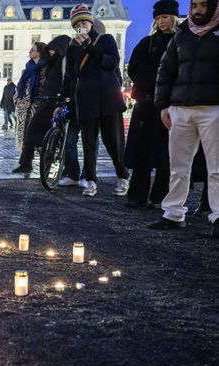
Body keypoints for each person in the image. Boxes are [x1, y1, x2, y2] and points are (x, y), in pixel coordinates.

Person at [149, 0, 219, 237]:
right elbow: (166, 70)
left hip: (213, 108)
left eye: (203, 5)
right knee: (178, 165)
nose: (198, 10)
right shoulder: (182, 33)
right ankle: (173, 213)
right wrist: (162, 105)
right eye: (195, 5)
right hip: (180, 107)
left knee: (216, 167)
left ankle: (218, 215)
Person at [59, 4, 129, 198]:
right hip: (86, 100)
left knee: (113, 142)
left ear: (90, 22)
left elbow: (111, 62)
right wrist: (64, 99)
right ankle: (90, 180)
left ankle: (122, 175)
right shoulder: (73, 47)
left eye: (84, 22)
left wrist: (89, 47)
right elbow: (71, 76)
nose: (82, 26)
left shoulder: (106, 39)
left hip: (108, 98)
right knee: (88, 144)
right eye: (77, 24)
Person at [124, 0, 179, 209]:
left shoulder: (179, 41)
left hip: (169, 104)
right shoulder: (147, 42)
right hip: (146, 104)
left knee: (166, 154)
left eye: (164, 17)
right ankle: (137, 194)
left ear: (172, 18)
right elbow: (134, 68)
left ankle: (160, 197)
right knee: (142, 152)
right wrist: (151, 80)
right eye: (158, 18)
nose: (161, 22)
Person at [20, 36, 74, 177]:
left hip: (59, 100)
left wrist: (63, 98)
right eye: (49, 50)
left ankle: (59, 169)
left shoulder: (64, 61)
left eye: (53, 50)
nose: (50, 53)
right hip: (47, 99)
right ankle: (44, 154)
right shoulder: (51, 63)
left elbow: (65, 81)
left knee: (62, 137)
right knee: (35, 129)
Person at [12, 42, 48, 173]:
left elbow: (44, 87)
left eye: (32, 50)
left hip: (37, 106)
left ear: (39, 52)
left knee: (32, 135)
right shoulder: (28, 67)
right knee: (26, 134)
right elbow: (21, 84)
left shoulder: (45, 68)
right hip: (24, 106)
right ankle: (25, 163)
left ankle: (30, 163)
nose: (30, 51)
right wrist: (17, 98)